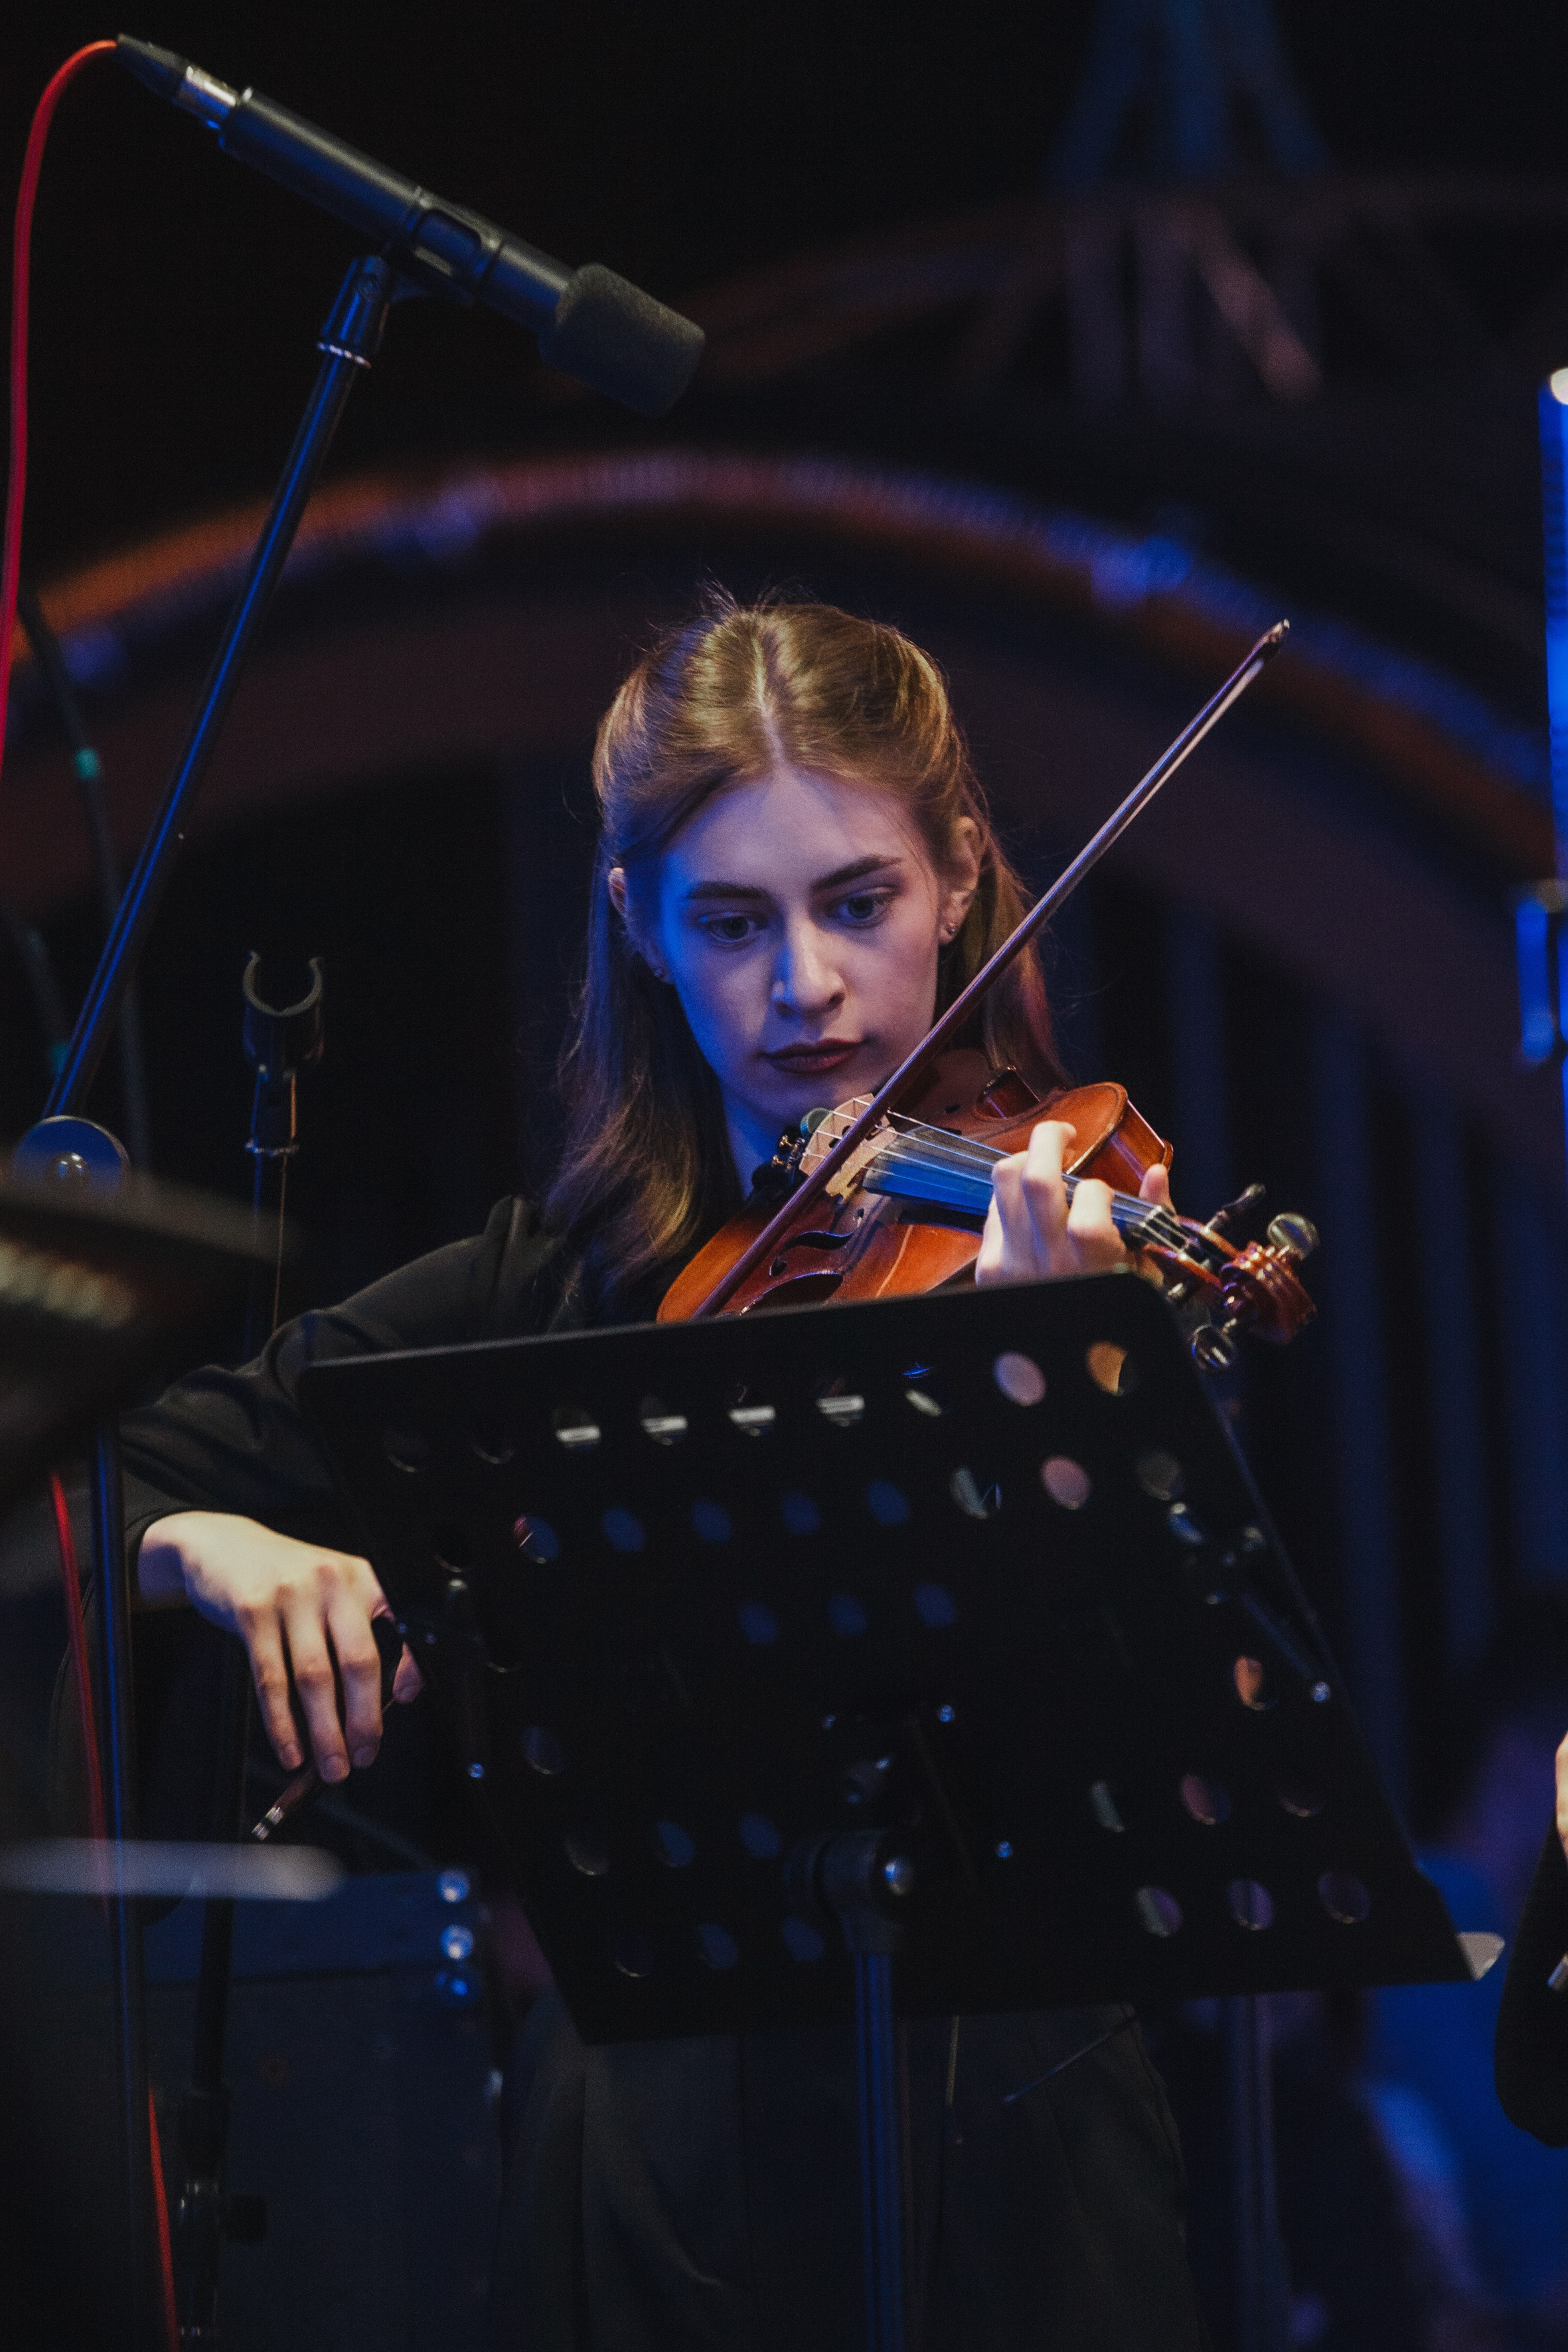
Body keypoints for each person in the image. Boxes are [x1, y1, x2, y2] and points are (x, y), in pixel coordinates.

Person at [119, 596, 1205, 2349]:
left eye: (856, 903)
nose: (804, 987)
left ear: (958, 881)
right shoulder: (547, 1290)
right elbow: (85, 1470)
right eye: (730, 923)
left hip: (1019, 2137)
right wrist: (217, 1546)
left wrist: (1046, 1399)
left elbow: (1189, 1722)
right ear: (634, 927)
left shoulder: (1077, 1241)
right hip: (647, 2161)